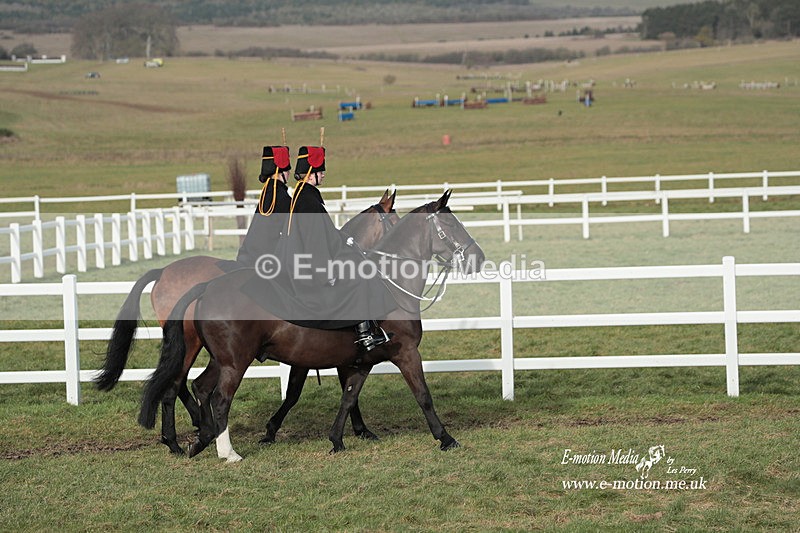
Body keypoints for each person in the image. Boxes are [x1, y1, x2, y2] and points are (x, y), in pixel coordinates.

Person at [265, 145, 395, 351]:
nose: (323, 175)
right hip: (313, 266)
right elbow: (316, 241)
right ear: (310, 174)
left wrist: (344, 239)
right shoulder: (308, 199)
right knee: (362, 276)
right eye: (320, 171)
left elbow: (323, 232)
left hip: (307, 260)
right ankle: (364, 333)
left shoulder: (304, 194)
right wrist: (331, 267)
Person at [235, 145, 293, 267]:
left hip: (249, 254)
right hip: (265, 259)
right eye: (287, 170)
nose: (289, 174)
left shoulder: (267, 191)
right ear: (279, 172)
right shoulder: (281, 196)